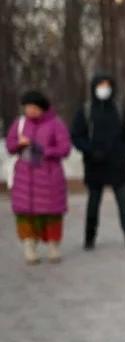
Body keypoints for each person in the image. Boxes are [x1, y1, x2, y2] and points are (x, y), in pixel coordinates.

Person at [71, 74, 125, 250]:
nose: (104, 89)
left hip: (116, 164)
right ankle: (89, 238)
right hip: (94, 164)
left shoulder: (118, 109)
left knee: (123, 202)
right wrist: (90, 150)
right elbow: (76, 136)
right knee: (93, 203)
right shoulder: (86, 110)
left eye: (107, 85)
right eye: (100, 85)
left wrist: (123, 154)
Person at [6, 90, 72, 264]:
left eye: (34, 108)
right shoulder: (19, 124)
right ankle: (29, 247)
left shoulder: (56, 124)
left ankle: (53, 246)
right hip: (24, 177)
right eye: (27, 108)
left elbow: (65, 149)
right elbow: (10, 145)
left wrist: (42, 149)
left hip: (49, 176)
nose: (30, 111)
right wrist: (18, 144)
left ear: (43, 108)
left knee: (52, 213)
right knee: (25, 214)